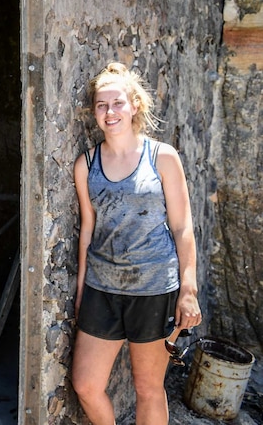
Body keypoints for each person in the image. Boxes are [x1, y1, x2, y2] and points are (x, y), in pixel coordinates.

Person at [71, 62, 201, 425]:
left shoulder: (162, 157)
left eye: (117, 103)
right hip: (102, 289)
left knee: (148, 389)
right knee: (85, 384)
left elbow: (182, 226)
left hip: (154, 289)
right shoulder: (87, 164)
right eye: (101, 105)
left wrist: (188, 289)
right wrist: (82, 290)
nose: (109, 112)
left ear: (135, 106)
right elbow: (88, 229)